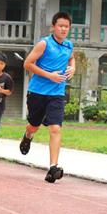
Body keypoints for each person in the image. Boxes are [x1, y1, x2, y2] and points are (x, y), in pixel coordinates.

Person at [20, 12, 75, 183]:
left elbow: (71, 59)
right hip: (38, 92)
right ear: (53, 27)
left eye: (66, 26)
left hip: (57, 94)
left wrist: (72, 68)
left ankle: (53, 167)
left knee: (55, 129)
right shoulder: (44, 44)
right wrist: (49, 75)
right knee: (34, 126)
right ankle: (27, 136)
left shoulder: (69, 45)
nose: (63, 29)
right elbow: (27, 64)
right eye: (60, 26)